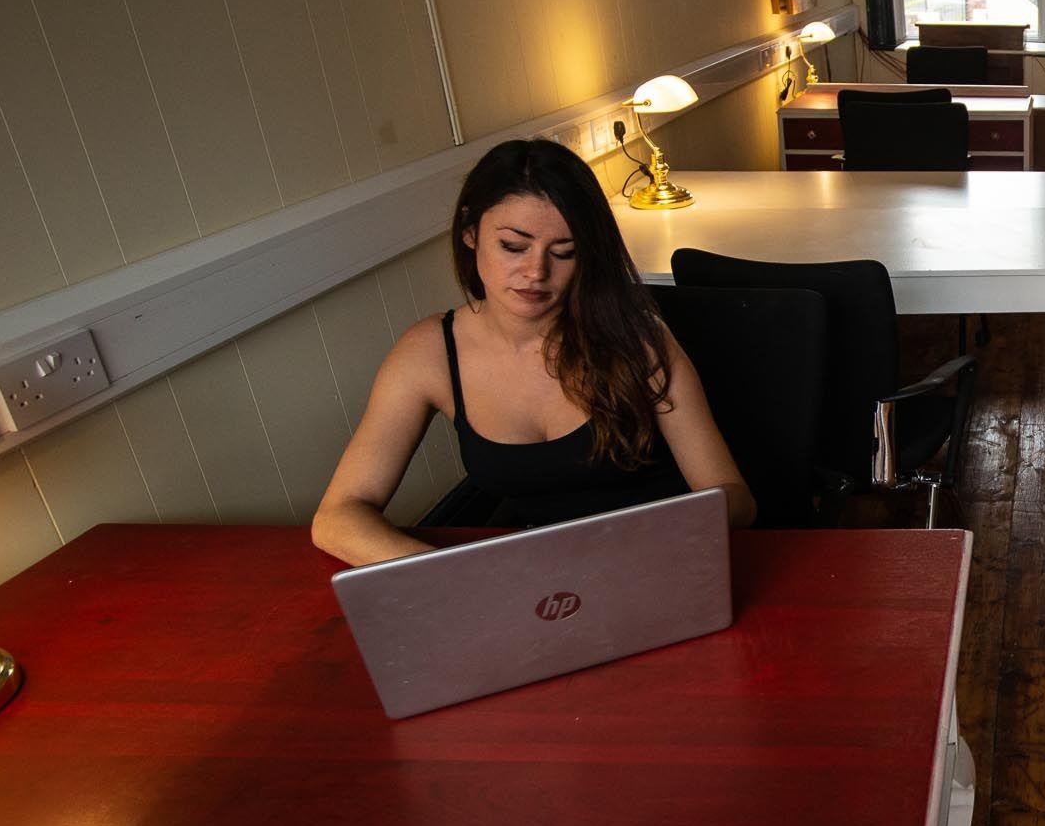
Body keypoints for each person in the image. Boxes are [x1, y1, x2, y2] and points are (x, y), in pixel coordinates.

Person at [313, 139, 754, 565]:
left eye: (564, 253)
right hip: (541, 580)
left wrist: (647, 545)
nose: (536, 272)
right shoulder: (428, 352)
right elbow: (337, 517)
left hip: (660, 557)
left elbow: (733, 497)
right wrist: (451, 573)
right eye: (513, 246)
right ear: (470, 232)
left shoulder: (635, 336)